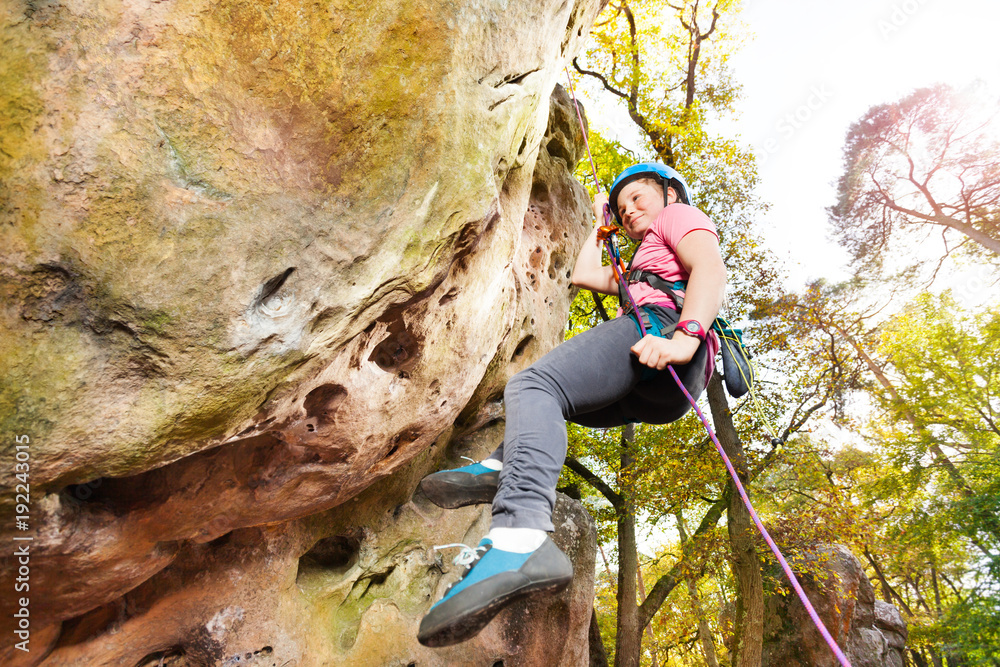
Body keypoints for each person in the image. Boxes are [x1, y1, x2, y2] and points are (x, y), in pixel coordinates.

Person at [416, 163, 726, 647]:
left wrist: (686, 338)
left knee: (532, 388)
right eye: (622, 209)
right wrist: (600, 226)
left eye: (639, 198)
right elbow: (583, 274)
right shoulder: (637, 263)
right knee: (543, 408)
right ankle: (505, 465)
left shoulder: (678, 215)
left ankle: (519, 538)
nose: (630, 211)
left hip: (666, 334)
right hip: (655, 382)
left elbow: (710, 267)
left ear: (668, 193)